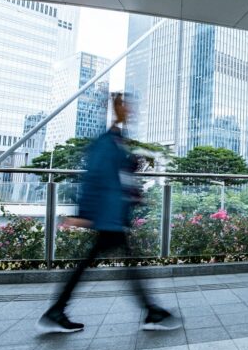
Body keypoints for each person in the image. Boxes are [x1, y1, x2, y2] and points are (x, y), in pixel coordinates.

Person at [38, 93, 180, 334]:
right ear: (116, 109)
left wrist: (132, 167)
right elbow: (94, 178)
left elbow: (120, 177)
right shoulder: (105, 143)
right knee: (122, 266)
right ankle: (150, 311)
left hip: (113, 216)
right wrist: (85, 214)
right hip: (107, 216)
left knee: (107, 264)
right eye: (125, 105)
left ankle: (58, 310)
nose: (131, 110)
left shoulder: (117, 141)